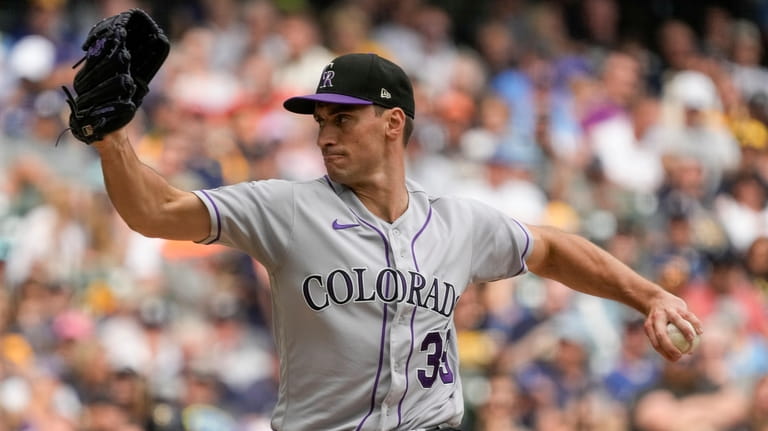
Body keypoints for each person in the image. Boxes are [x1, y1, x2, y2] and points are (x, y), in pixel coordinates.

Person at [89, 53, 702, 431]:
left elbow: (553, 248)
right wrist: (112, 138)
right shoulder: (287, 207)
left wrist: (648, 295)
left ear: (393, 123)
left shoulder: (457, 223)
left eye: (342, 118)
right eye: (321, 122)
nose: (325, 135)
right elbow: (156, 211)